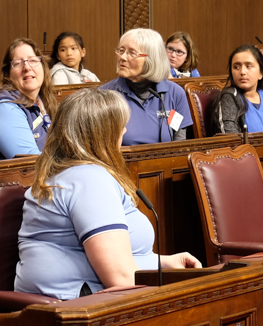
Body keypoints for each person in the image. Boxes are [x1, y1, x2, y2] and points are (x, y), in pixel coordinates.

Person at [15, 88, 201, 300]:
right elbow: (121, 278)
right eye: (120, 127)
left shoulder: (76, 174)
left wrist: (162, 263)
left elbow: (121, 260)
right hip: (78, 309)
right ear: (102, 136)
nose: (124, 132)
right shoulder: (87, 179)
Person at [0, 38, 57, 162]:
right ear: (8, 74)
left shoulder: (42, 100)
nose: (27, 67)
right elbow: (31, 163)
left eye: (32, 60)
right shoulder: (3, 108)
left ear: (43, 66)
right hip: (5, 180)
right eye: (18, 63)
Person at [100, 29, 194, 146]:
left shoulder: (175, 93)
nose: (122, 57)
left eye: (132, 53)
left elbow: (180, 144)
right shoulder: (104, 96)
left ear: (152, 59)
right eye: (121, 50)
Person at [209, 45, 263, 135]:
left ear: (261, 73)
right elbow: (230, 138)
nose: (242, 72)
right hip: (245, 149)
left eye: (248, 66)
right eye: (236, 67)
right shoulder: (229, 97)